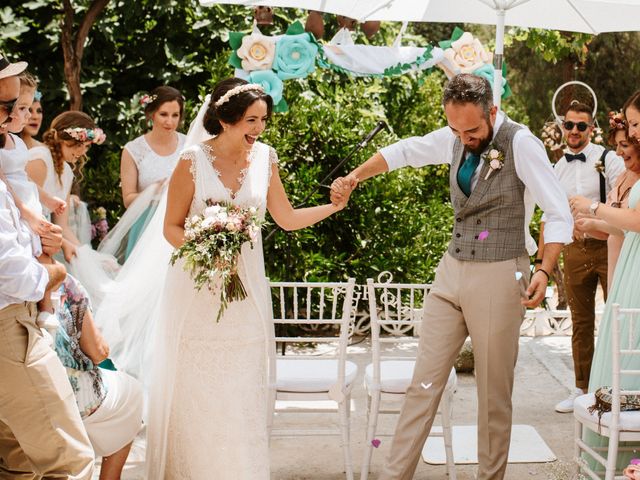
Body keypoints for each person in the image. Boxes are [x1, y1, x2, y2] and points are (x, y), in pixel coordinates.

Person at [96, 77, 352, 478]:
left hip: (246, 288)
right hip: (196, 289)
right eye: (251, 120)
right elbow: (172, 227)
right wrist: (205, 254)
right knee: (197, 385)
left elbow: (285, 219)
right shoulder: (192, 160)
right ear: (227, 119)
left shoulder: (266, 158)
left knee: (240, 385)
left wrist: (332, 208)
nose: (259, 129)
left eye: (264, 120)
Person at [331, 73, 573, 480]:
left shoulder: (522, 144)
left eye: (473, 129)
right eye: (456, 128)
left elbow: (558, 211)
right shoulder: (454, 135)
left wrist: (545, 269)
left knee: (493, 394)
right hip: (451, 271)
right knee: (422, 384)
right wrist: (355, 177)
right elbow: (405, 151)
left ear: (492, 111)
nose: (464, 137)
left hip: (501, 272)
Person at [0, 54, 94, 479]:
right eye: (9, 106)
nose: (16, 115)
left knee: (16, 461)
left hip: (17, 316)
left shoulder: (12, 151)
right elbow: (14, 272)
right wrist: (53, 275)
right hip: (10, 326)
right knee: (71, 462)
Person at [537, 102, 625, 414]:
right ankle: (581, 388)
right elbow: (550, 214)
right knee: (581, 322)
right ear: (562, 126)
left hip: (608, 245)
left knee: (618, 316)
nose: (574, 131)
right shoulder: (556, 168)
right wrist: (542, 261)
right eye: (569, 125)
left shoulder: (609, 158)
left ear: (591, 128)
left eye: (581, 126)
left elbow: (625, 198)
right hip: (575, 252)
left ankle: (617, 387)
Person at [569, 92, 640, 472]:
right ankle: (622, 462)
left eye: (636, 124)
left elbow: (636, 223)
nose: (632, 133)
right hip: (627, 267)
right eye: (630, 124)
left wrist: (594, 207)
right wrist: (595, 221)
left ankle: (626, 459)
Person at [52, 274, 143, 480]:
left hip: (14, 395)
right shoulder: (65, 284)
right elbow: (98, 352)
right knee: (132, 391)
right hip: (67, 399)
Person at [98, 86, 186, 262]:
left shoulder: (188, 145)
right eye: (164, 114)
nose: (170, 121)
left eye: (175, 115)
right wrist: (153, 191)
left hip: (180, 224)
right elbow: (128, 199)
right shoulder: (133, 150)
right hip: (145, 225)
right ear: (151, 114)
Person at [574, 111, 640, 289]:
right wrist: (587, 222)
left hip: (634, 265)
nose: (618, 152)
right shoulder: (622, 178)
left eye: (624, 145)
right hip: (616, 264)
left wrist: (592, 210)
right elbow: (611, 227)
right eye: (617, 145)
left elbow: (630, 225)